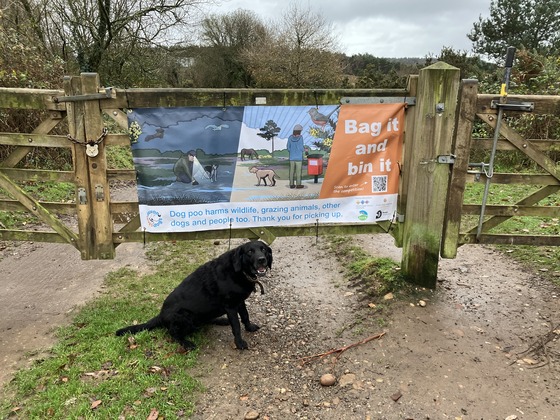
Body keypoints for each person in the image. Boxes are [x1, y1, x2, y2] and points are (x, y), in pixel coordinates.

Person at [287, 124, 305, 189]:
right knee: (298, 172)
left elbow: (288, 148)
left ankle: (291, 184)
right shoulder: (301, 137)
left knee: (291, 171)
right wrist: (304, 149)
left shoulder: (290, 137)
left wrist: (292, 151)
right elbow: (301, 147)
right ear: (300, 131)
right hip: (299, 158)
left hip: (292, 157)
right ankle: (298, 184)